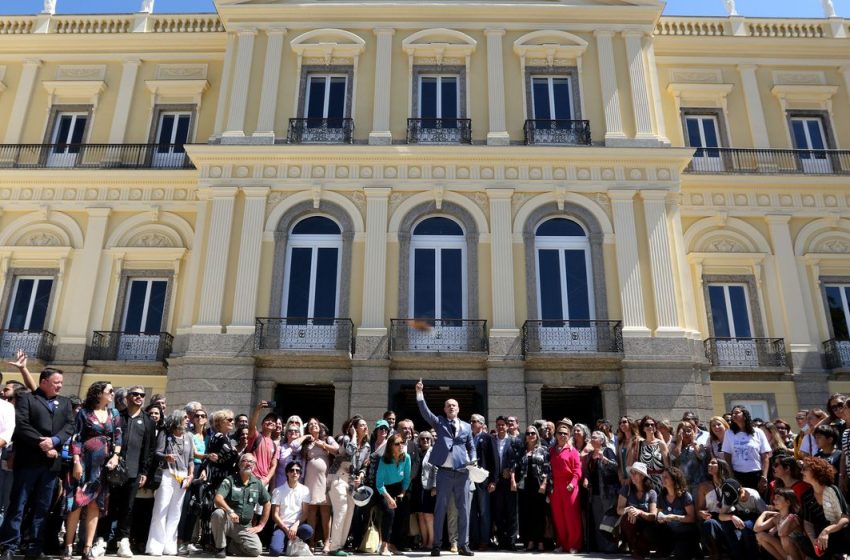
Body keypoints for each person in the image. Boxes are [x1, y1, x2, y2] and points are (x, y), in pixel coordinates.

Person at [0, 367, 74, 560]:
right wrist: (43, 443)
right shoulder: (27, 399)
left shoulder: (65, 403)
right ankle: (9, 546)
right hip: (28, 461)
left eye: (61, 383)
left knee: (42, 507)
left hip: (51, 465)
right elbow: (21, 425)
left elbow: (69, 426)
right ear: (44, 382)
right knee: (18, 505)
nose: (60, 385)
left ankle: (34, 547)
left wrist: (55, 441)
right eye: (56, 382)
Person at [61, 382, 122, 560]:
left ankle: (87, 547)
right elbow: (76, 438)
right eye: (110, 391)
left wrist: (116, 456)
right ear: (98, 393)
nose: (113, 393)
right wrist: (76, 461)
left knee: (95, 505)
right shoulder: (84, 413)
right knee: (76, 504)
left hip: (103, 466)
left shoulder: (114, 413)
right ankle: (68, 546)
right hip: (85, 463)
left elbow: (118, 437)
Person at [414, 378, 476, 557]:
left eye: (454, 405)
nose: (451, 407)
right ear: (444, 409)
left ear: (458, 409)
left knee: (464, 510)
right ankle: (436, 545)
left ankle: (464, 545)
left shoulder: (466, 426)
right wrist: (420, 393)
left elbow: (471, 446)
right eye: (448, 405)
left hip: (462, 472)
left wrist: (473, 459)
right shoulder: (439, 422)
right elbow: (425, 412)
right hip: (444, 473)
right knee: (439, 509)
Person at [109, 384, 155, 559]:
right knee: (110, 506)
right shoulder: (117, 417)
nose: (139, 397)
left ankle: (123, 541)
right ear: (127, 397)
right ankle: (102, 540)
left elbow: (149, 449)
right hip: (114, 470)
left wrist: (144, 472)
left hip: (135, 472)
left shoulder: (148, 421)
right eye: (135, 394)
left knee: (127, 508)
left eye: (142, 395)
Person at [146, 409, 195, 557]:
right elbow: (157, 453)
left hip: (183, 476)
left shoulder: (188, 437)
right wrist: (166, 457)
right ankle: (155, 546)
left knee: (176, 512)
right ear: (177, 419)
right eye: (185, 418)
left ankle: (169, 546)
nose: (188, 420)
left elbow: (191, 459)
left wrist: (191, 475)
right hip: (167, 474)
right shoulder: (165, 434)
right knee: (161, 509)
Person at [211, 453, 271, 558]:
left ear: (255, 466)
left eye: (251, 462)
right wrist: (230, 511)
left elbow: (267, 503)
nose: (248, 464)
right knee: (218, 513)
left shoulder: (257, 484)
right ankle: (221, 548)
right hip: (228, 522)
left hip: (244, 527)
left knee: (256, 550)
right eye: (245, 461)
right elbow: (218, 498)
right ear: (239, 464)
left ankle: (231, 545)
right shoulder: (230, 480)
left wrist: (261, 525)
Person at [326, 415, 370, 556]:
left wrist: (361, 476)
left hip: (351, 481)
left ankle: (340, 546)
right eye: (361, 425)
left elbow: (363, 466)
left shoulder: (367, 446)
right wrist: (354, 436)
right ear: (354, 428)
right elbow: (350, 451)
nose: (365, 427)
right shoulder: (345, 439)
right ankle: (333, 547)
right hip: (338, 478)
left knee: (349, 512)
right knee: (342, 510)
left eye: (365, 425)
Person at [799, 456, 850, 558]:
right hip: (821, 538)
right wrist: (813, 540)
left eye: (805, 469)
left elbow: (845, 518)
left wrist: (827, 530)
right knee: (801, 540)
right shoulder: (806, 496)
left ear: (816, 471)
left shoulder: (832, 490)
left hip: (838, 532)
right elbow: (807, 522)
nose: (801, 472)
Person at [300, 418, 338, 552]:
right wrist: (305, 438)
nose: (313, 426)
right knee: (311, 511)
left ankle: (327, 542)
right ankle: (311, 541)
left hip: (324, 480)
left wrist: (323, 445)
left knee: (325, 512)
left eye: (315, 424)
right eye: (310, 425)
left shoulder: (328, 439)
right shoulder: (306, 443)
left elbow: (338, 451)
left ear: (320, 426)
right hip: (309, 480)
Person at [515, 425, 549, 552]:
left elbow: (547, 468)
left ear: (537, 435)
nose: (530, 435)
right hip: (524, 485)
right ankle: (529, 541)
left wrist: (544, 483)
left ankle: (540, 541)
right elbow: (516, 466)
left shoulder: (543, 450)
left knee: (539, 513)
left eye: (533, 433)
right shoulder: (522, 451)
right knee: (527, 514)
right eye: (528, 433)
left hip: (538, 484)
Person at [376, 433, 411, 556]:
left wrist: (402, 493)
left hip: (399, 489)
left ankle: (393, 544)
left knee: (402, 513)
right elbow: (379, 484)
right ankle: (384, 545)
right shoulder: (384, 460)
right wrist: (390, 499)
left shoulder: (406, 458)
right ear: (390, 446)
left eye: (402, 442)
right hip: (384, 490)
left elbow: (406, 479)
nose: (401, 445)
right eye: (397, 443)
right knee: (390, 512)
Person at [550, 420, 582, 553]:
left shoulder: (573, 451)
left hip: (569, 485)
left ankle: (574, 545)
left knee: (571, 517)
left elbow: (577, 470)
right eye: (560, 433)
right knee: (558, 517)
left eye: (565, 433)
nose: (562, 435)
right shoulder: (551, 450)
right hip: (555, 486)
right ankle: (561, 543)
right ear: (556, 435)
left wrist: (573, 483)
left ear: (568, 436)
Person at [584, 430, 619, 553]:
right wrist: (586, 479)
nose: (592, 439)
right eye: (591, 438)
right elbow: (588, 472)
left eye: (594, 437)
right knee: (598, 520)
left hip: (608, 492)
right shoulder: (589, 455)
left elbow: (616, 467)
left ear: (601, 440)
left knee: (608, 520)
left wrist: (604, 459)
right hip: (594, 493)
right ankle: (601, 547)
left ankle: (611, 547)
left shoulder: (608, 451)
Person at [722, 406, 770, 493]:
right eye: (732, 413)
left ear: (745, 415)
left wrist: (764, 477)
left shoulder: (758, 432)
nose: (733, 415)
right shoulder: (729, 433)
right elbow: (727, 455)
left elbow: (765, 456)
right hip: (737, 475)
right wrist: (731, 475)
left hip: (756, 474)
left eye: (737, 412)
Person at [269, 462, 313, 557]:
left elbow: (305, 513)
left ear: (300, 474)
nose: (295, 473)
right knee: (274, 551)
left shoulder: (305, 490)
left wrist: (295, 526)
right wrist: (286, 529)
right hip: (282, 526)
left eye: (297, 471)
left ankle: (295, 541)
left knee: (308, 530)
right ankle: (288, 543)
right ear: (287, 473)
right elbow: (275, 515)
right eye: (292, 470)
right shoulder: (278, 491)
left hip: (297, 526)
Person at [617, 462, 660, 558]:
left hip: (646, 524)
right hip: (631, 523)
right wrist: (629, 509)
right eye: (631, 472)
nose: (632, 475)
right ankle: (634, 547)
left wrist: (639, 512)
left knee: (646, 539)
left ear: (642, 476)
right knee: (627, 518)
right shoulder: (626, 489)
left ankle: (639, 548)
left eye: (635, 473)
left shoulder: (651, 493)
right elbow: (619, 510)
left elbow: (653, 516)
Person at [654, 466, 699, 559]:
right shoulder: (661, 496)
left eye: (666, 477)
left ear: (674, 479)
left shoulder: (685, 496)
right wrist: (660, 519)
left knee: (681, 555)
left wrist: (675, 517)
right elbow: (659, 515)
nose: (662, 479)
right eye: (662, 477)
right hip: (669, 532)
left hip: (685, 532)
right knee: (651, 531)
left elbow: (692, 518)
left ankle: (694, 548)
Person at [468, 414, 497, 551]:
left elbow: (494, 460)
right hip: (469, 479)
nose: (471, 423)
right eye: (471, 421)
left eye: (474, 421)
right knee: (471, 511)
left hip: (484, 480)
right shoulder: (467, 438)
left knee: (484, 511)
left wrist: (493, 481)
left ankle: (484, 540)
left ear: (481, 423)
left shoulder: (488, 438)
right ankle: (474, 540)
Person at [491, 415, 519, 551]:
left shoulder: (514, 441)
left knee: (511, 512)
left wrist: (511, 471)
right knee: (499, 512)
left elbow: (518, 460)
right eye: (499, 425)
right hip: (497, 482)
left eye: (503, 425)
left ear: (507, 427)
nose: (501, 427)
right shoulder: (492, 441)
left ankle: (512, 541)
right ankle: (501, 541)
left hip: (510, 481)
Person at [753, 488, 804, 560]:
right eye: (774, 498)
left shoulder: (793, 517)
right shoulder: (777, 518)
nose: (774, 501)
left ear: (788, 502)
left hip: (800, 553)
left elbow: (782, 533)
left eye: (778, 498)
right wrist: (764, 513)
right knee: (760, 536)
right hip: (787, 554)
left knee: (785, 539)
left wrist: (776, 527)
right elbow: (756, 528)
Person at [670, 419, 709, 510]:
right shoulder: (674, 445)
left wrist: (693, 443)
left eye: (689, 430)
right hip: (682, 484)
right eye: (683, 431)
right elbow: (673, 458)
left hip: (697, 484)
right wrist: (679, 441)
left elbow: (702, 457)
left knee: (698, 508)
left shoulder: (698, 445)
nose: (687, 433)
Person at [247, 402, 279, 488]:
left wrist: (267, 479)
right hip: (250, 477)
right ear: (262, 424)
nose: (270, 422)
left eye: (273, 421)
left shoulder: (275, 446)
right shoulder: (256, 436)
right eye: (267, 420)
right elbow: (251, 427)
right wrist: (257, 410)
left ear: (276, 426)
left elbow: (274, 465)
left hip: (264, 482)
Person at [637, 415, 669, 489]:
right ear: (643, 428)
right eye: (647, 425)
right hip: (645, 480)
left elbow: (667, 466)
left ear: (655, 428)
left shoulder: (661, 444)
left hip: (660, 480)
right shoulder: (639, 444)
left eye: (652, 424)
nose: (650, 426)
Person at [417, 431, 437, 551]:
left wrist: (435, 486)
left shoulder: (433, 452)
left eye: (428, 439)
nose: (425, 441)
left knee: (429, 516)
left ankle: (431, 542)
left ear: (431, 441)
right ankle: (424, 542)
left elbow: (436, 469)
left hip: (429, 488)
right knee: (420, 515)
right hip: (418, 487)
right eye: (422, 439)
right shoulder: (418, 452)